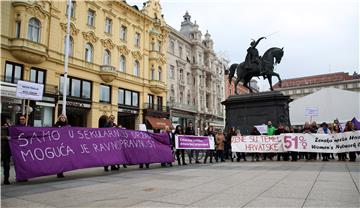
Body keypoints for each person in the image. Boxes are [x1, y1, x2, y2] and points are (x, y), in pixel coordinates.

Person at [1, 118, 12, 185]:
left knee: (7, 165)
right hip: (2, 149)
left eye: (9, 121)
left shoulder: (10, 129)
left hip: (7, 150)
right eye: (7, 121)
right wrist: (6, 137)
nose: (8, 123)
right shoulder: (2, 129)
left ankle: (6, 179)